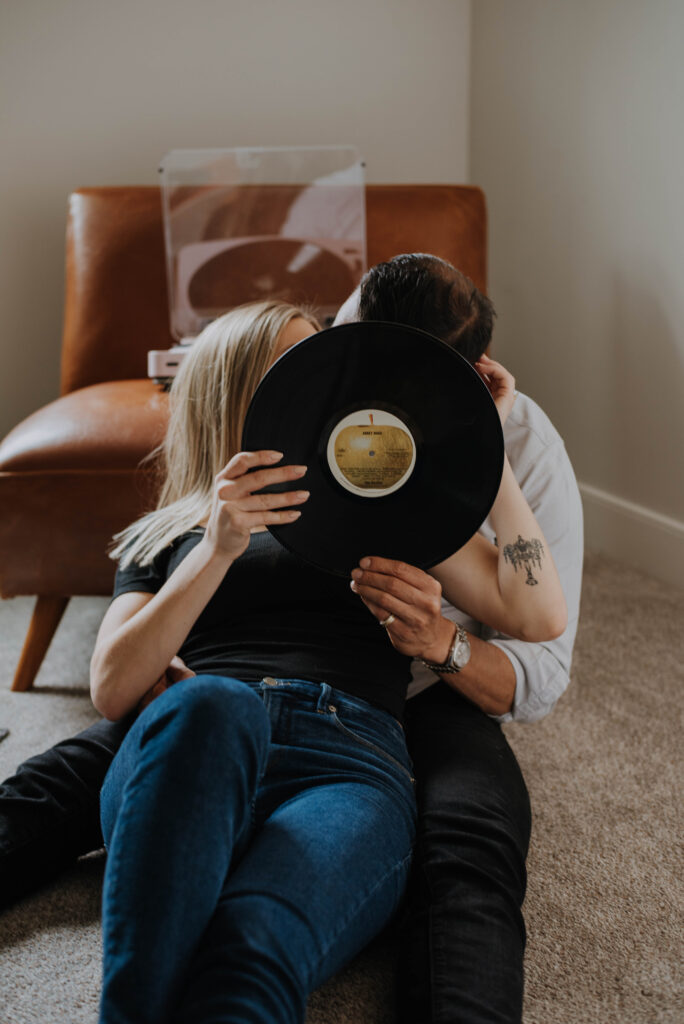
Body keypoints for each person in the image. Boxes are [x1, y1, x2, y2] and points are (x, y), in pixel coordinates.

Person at [0, 260, 579, 1022]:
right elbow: (112, 689)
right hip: (203, 737)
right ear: (245, 399)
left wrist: (486, 440)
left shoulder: (380, 497)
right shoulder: (170, 534)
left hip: (349, 760)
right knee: (210, 709)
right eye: (312, 368)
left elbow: (537, 615)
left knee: (250, 944)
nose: (340, 384)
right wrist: (217, 545)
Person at [334, 254, 584, 1024]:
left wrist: (441, 641)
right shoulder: (305, 391)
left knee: (473, 842)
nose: (353, 378)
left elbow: (542, 655)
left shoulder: (526, 443)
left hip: (434, 688)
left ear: (460, 376)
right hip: (309, 667)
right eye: (346, 342)